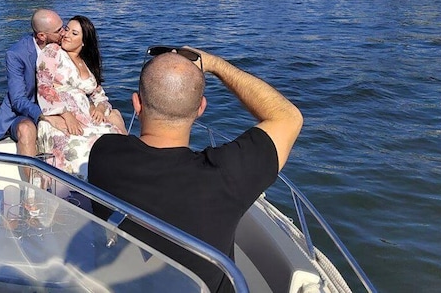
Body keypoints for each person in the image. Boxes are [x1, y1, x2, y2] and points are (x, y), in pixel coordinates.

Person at [88, 46, 303, 293]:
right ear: (201, 108)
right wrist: (216, 65)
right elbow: (289, 117)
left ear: (137, 103)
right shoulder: (225, 176)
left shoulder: (103, 152)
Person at [36, 15, 126, 179]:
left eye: (74, 33)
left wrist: (99, 108)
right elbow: (44, 86)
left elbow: (100, 95)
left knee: (113, 143)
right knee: (81, 149)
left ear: (84, 41)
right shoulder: (53, 51)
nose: (66, 34)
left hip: (87, 118)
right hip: (60, 117)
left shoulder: (86, 62)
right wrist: (67, 115)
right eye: (67, 29)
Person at [0, 9, 70, 165]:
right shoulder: (16, 54)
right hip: (24, 113)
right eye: (58, 31)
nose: (64, 33)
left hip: (60, 105)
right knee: (26, 130)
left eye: (64, 27)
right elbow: (18, 100)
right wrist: (44, 115)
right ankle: (33, 187)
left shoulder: (64, 47)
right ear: (42, 36)